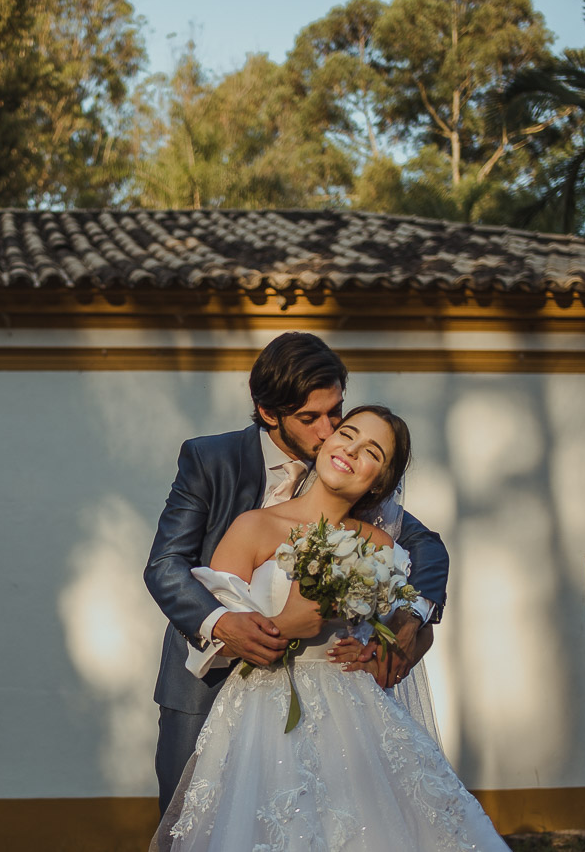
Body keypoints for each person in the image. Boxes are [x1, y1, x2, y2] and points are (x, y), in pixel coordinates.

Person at [153, 406, 508, 851]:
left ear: (381, 480)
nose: (351, 450)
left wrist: (385, 650)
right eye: (348, 434)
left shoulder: (382, 545)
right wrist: (287, 624)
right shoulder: (254, 527)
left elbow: (416, 634)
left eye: (372, 452)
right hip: (262, 717)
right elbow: (218, 644)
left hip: (356, 721)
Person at [144, 332, 451, 815]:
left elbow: (427, 547)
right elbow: (165, 565)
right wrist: (223, 624)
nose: (330, 430)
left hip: (320, 701)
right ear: (269, 413)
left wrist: (409, 621)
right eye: (311, 418)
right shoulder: (210, 460)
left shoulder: (344, 471)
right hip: (205, 681)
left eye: (337, 412)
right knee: (193, 825)